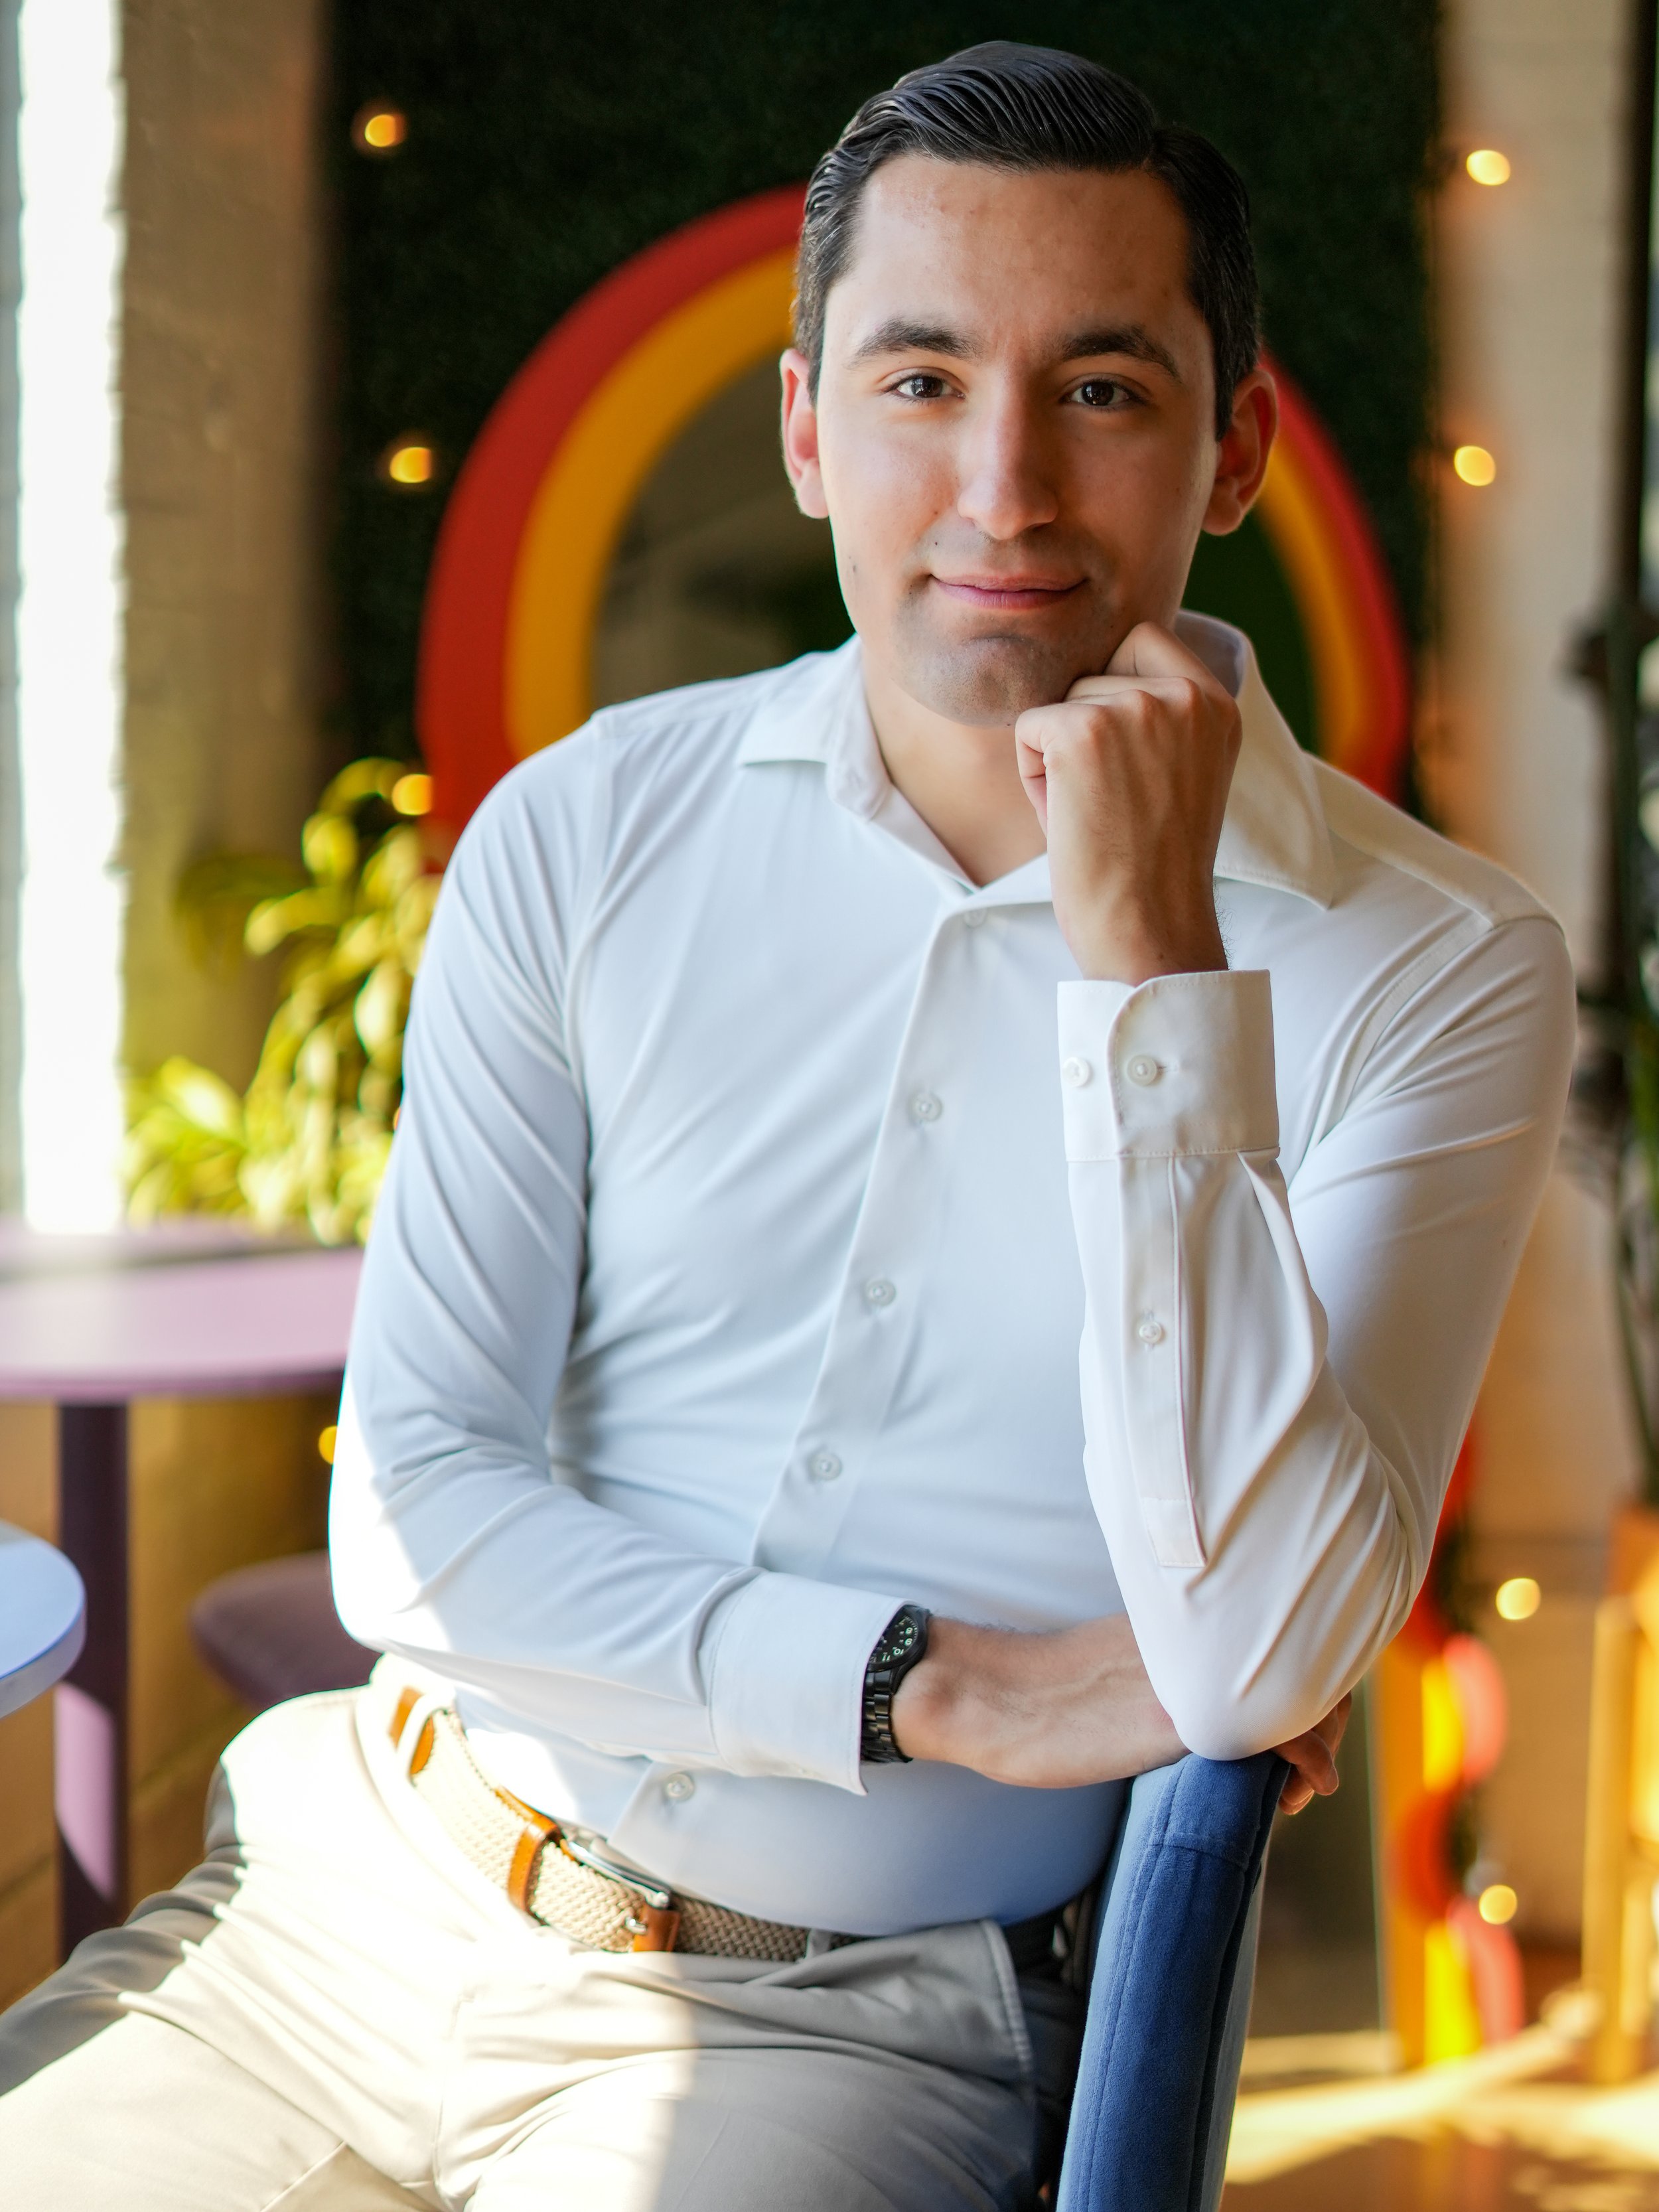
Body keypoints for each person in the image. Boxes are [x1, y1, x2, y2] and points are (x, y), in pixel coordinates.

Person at [0, 39, 1573, 2212]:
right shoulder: (580, 835)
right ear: (807, 431)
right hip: (344, 1914)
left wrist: (1150, 968)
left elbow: (1257, 1659)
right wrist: (934, 1689)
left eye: (1099, 388)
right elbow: (418, 1518)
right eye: (920, 381)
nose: (1004, 487)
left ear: (1234, 450)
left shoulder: (1434, 968)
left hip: (839, 2031)